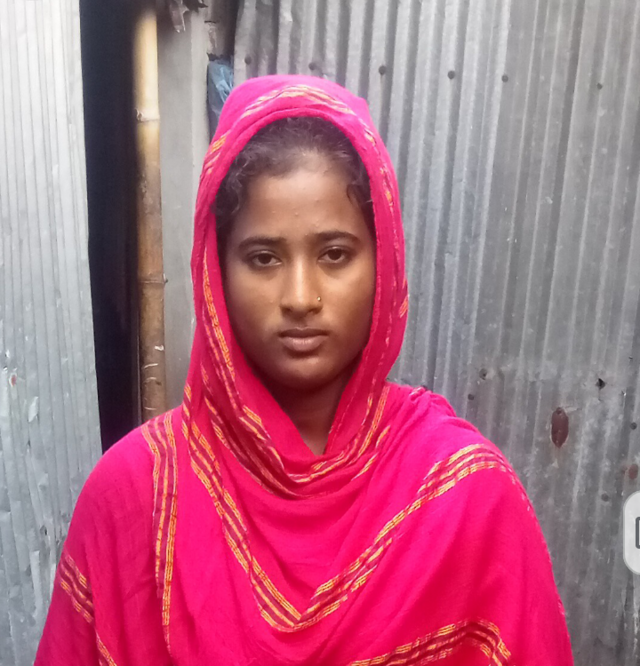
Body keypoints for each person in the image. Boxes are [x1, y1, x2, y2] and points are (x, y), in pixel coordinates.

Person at [36, 75, 573, 665]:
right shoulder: (133, 498)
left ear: (384, 261)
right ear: (216, 271)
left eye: (334, 254)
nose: (300, 297)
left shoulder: (465, 499)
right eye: (263, 258)